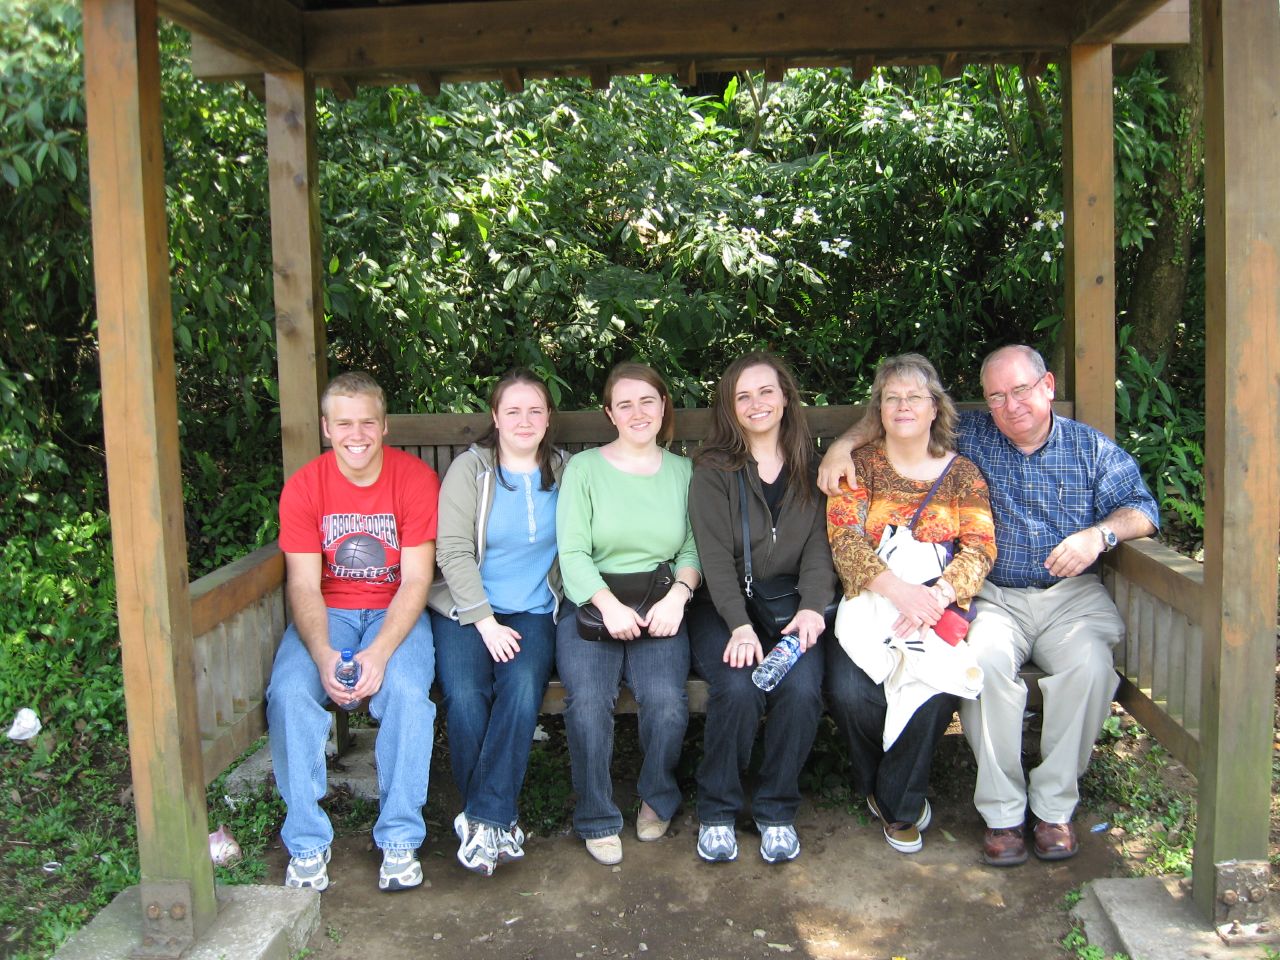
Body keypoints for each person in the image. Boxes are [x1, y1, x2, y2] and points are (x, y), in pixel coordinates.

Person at [818, 344, 1158, 866]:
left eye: (1020, 390)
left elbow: (1142, 509)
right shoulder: (977, 434)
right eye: (996, 395)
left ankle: (1052, 809)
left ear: (1046, 388)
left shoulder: (1089, 449)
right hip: (992, 598)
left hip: (1062, 599)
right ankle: (1001, 814)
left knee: (1089, 666)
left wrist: (1100, 536)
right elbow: (897, 426)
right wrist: (841, 445)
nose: (1009, 405)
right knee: (986, 664)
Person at [266, 371, 439, 893]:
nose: (356, 434)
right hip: (329, 612)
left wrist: (381, 652)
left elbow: (416, 579)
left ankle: (400, 837)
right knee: (291, 693)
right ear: (326, 428)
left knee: (409, 694)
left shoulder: (413, 480)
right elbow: (302, 584)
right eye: (344, 423)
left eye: (367, 421)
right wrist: (322, 653)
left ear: (384, 426)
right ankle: (307, 842)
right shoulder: (305, 487)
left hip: (396, 611)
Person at [824, 354, 995, 854]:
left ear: (934, 407)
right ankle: (895, 793)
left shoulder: (963, 475)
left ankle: (894, 801)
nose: (903, 406)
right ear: (878, 408)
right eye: (891, 397)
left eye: (914, 397)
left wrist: (936, 596)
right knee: (850, 691)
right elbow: (844, 539)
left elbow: (980, 546)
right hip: (871, 604)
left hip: (937, 607)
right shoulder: (859, 467)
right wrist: (899, 591)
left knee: (937, 682)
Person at [686, 352, 837, 864]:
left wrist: (814, 608)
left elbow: (821, 548)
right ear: (730, 407)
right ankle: (718, 808)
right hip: (722, 607)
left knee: (799, 690)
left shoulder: (810, 468)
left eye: (765, 391)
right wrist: (738, 627)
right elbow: (712, 558)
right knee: (737, 685)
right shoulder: (712, 470)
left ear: (785, 396)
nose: (756, 404)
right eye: (743, 396)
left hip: (792, 607)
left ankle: (775, 809)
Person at [555, 361, 702, 865]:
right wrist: (608, 605)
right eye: (625, 404)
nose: (638, 412)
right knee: (589, 701)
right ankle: (596, 814)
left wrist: (679, 597)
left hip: (662, 601)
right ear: (609, 413)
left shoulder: (684, 472)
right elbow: (571, 551)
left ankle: (657, 797)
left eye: (648, 401)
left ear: (664, 406)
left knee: (665, 700)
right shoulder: (584, 469)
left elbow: (691, 548)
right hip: (594, 605)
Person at [428, 369, 567, 876]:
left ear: (549, 416)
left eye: (535, 410)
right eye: (513, 411)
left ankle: (482, 818)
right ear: (495, 417)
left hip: (533, 608)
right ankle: (494, 818)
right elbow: (453, 551)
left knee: (523, 686)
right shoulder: (472, 470)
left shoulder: (566, 470)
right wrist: (484, 620)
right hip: (466, 609)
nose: (524, 420)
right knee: (465, 693)